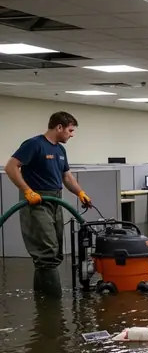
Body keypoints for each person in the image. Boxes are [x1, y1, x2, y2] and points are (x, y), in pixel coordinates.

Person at [4, 111, 92, 295]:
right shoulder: (34, 144)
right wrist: (27, 191)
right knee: (47, 251)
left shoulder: (60, 150)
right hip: (36, 200)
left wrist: (80, 192)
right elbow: (11, 167)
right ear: (59, 127)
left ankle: (43, 300)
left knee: (57, 250)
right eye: (70, 130)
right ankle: (52, 303)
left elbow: (66, 177)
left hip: (55, 199)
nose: (72, 134)